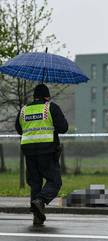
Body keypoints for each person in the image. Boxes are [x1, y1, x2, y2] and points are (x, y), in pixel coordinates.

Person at [15, 84, 68, 226]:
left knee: (35, 183)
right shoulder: (50, 107)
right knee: (55, 181)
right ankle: (40, 201)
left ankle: (37, 217)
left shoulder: (23, 110)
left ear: (34, 96)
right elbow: (64, 128)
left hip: (29, 151)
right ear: (47, 96)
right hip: (47, 150)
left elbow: (19, 129)